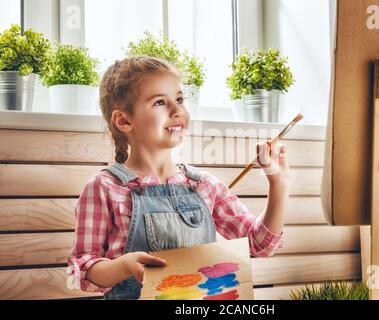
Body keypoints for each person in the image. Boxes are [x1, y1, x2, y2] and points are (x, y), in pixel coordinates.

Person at [67, 56, 290, 300]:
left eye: (180, 100)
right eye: (160, 102)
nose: (177, 110)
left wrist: (278, 183)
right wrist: (125, 265)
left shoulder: (203, 185)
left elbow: (259, 245)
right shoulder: (105, 187)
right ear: (124, 120)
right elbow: (84, 269)